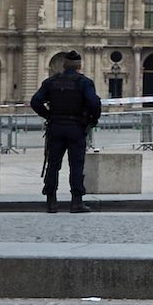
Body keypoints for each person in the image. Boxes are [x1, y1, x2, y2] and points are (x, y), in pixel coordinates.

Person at [31, 51, 101, 213]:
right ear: (79, 66)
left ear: (64, 65)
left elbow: (35, 101)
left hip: (55, 127)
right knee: (76, 165)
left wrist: (48, 115)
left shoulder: (51, 82)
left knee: (53, 164)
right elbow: (93, 102)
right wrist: (92, 120)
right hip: (76, 127)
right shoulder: (84, 82)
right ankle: (76, 202)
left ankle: (51, 202)